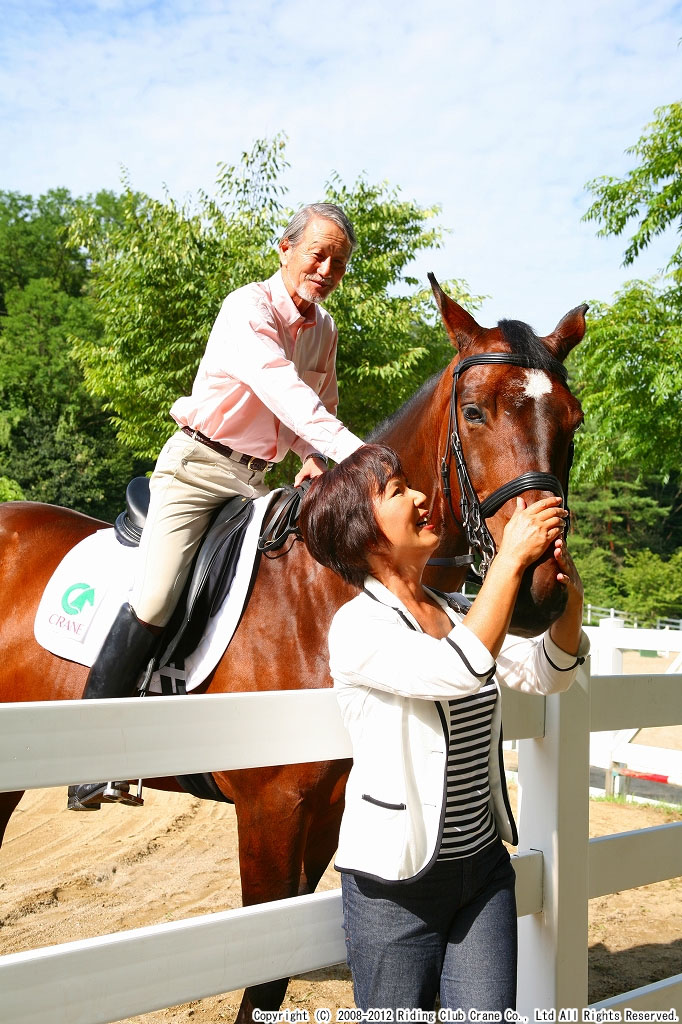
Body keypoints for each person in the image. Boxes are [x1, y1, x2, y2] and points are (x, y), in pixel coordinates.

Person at [68, 202, 364, 811]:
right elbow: (283, 390)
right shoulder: (247, 308)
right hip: (197, 469)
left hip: (255, 482)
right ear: (285, 248)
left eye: (338, 262)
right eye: (318, 254)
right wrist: (362, 457)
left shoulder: (326, 330)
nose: (327, 270)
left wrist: (316, 455)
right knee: (156, 597)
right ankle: (88, 756)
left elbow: (319, 408)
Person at [299, 443, 588, 1013]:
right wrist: (509, 559)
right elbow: (460, 668)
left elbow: (547, 673)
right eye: (396, 490)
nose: (420, 496)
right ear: (362, 530)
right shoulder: (356, 627)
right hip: (395, 887)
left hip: (482, 871)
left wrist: (568, 598)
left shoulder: (456, 612)